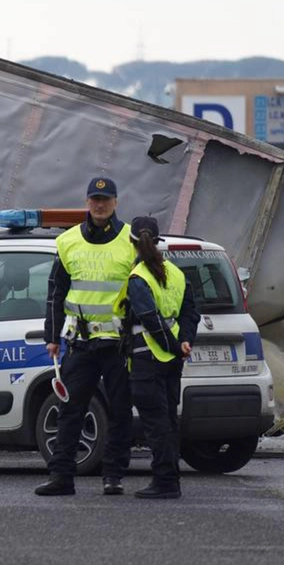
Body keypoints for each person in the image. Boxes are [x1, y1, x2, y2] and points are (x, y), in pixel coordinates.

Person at [35, 177, 135, 496]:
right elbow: (56, 292)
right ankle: (62, 476)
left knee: (119, 411)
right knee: (70, 410)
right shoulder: (68, 241)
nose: (100, 204)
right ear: (87, 201)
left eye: (105, 199)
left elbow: (143, 290)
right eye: (95, 198)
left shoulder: (131, 240)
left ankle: (114, 475)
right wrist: (52, 335)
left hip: (119, 344)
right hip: (80, 342)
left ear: (116, 202)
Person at [115, 215, 199, 499]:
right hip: (171, 361)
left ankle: (164, 481)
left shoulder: (139, 278)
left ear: (132, 242)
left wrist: (174, 346)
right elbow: (190, 313)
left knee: (156, 423)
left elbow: (150, 320)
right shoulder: (176, 272)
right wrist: (184, 341)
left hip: (147, 358)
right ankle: (170, 480)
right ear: (158, 240)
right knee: (168, 420)